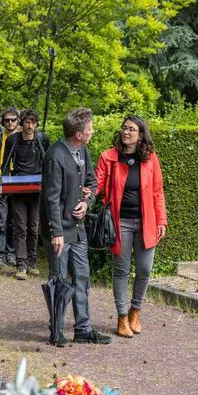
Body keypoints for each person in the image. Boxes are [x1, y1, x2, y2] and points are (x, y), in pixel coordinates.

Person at [40, 108, 111, 346]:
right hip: (61, 230)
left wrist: (86, 203)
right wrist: (56, 233)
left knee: (82, 277)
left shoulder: (83, 150)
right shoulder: (55, 155)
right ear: (79, 133)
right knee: (59, 280)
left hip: (79, 229)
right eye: (90, 128)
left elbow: (92, 181)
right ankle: (56, 330)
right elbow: (50, 198)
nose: (93, 131)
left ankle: (83, 329)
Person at [95, 116, 167, 338]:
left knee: (145, 269)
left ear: (141, 134)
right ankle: (122, 317)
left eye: (132, 129)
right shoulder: (109, 157)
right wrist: (83, 196)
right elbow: (96, 184)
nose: (126, 132)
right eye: (124, 128)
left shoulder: (150, 159)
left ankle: (135, 310)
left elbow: (157, 191)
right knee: (121, 270)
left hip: (146, 221)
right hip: (120, 222)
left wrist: (162, 220)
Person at [2, 109, 50, 279]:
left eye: (33, 122)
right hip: (18, 187)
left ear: (36, 124)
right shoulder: (13, 140)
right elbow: (6, 163)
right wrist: (4, 184)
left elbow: (49, 163)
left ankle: (32, 262)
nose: (30, 126)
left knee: (34, 227)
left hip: (37, 189)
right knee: (19, 226)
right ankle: (21, 264)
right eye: (27, 122)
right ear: (22, 123)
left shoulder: (42, 139)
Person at [0, 107, 20, 269]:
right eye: (7, 120)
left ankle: (12, 252)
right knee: (0, 221)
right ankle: (1, 254)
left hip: (19, 183)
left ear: (18, 120)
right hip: (0, 182)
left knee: (14, 221)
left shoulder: (24, 138)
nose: (10, 122)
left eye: (13, 119)